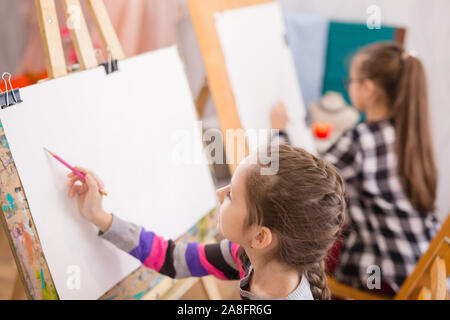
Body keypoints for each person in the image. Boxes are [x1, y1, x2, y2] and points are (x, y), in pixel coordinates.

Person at [66, 144, 345, 300]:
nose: (220, 192)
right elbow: (173, 259)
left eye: (233, 195)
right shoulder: (247, 256)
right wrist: (99, 216)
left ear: (260, 237)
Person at [271, 42, 440, 294]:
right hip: (417, 272)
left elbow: (299, 181)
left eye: (351, 80)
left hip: (381, 280)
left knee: (294, 270)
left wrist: (278, 132)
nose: (349, 85)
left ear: (368, 88)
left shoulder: (361, 139)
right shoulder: (408, 135)